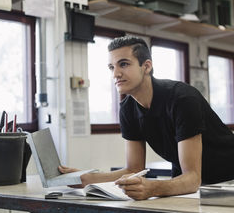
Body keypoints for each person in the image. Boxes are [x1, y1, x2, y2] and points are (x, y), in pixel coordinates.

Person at [59, 35, 234, 200]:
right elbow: (134, 168)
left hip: (228, 179)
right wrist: (86, 178)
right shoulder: (127, 109)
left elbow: (193, 178)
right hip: (191, 186)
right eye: (112, 67)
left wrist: (151, 188)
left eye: (124, 64)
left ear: (147, 66)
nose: (115, 74)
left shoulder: (182, 99)